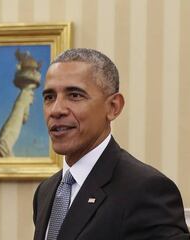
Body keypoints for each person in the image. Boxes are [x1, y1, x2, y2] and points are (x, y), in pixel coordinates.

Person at [33, 48, 189, 240]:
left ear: (113, 107)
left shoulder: (145, 189)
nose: (56, 110)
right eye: (49, 97)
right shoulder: (46, 191)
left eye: (74, 95)